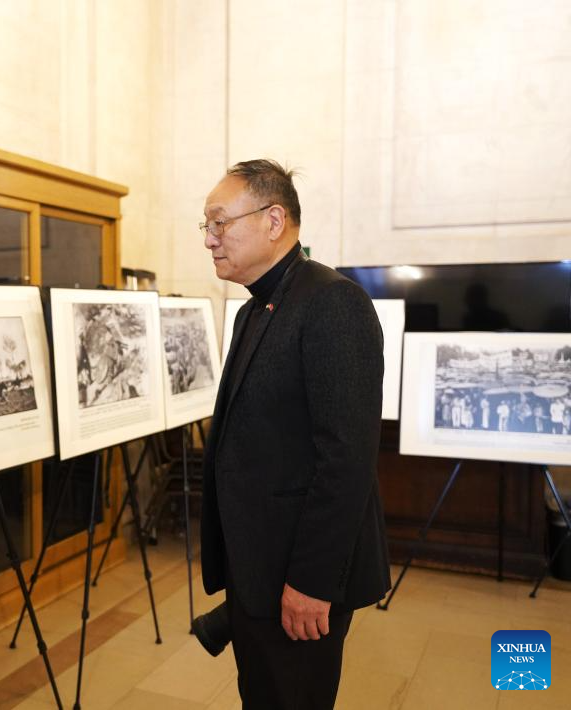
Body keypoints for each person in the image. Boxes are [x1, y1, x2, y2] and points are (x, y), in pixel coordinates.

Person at [192, 160, 390, 710]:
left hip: (298, 579)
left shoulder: (332, 302)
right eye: (206, 225)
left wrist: (312, 582)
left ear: (274, 220)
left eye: (220, 223)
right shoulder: (254, 310)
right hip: (258, 570)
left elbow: (346, 460)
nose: (209, 239)